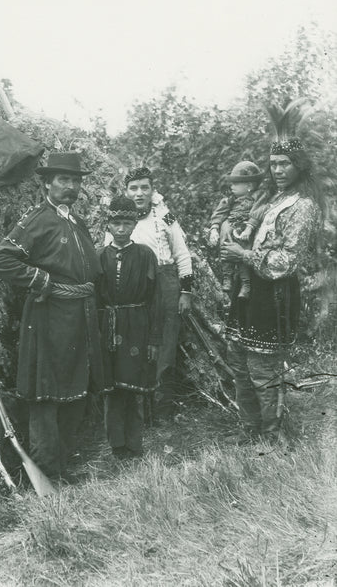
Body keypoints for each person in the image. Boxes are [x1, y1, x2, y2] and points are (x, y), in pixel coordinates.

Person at [0, 151, 108, 481]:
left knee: (74, 389)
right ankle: (44, 470)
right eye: (63, 180)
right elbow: (0, 259)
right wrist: (43, 281)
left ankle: (61, 466)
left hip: (80, 316)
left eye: (75, 181)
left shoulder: (74, 221)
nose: (70, 187)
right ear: (47, 184)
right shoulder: (38, 219)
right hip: (50, 316)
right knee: (47, 392)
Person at [221, 127, 323, 444]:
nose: (278, 170)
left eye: (285, 163)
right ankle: (248, 428)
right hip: (250, 289)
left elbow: (286, 261)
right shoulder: (275, 198)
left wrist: (243, 253)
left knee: (263, 369)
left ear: (299, 166)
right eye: (273, 163)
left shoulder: (304, 206)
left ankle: (270, 435)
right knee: (239, 361)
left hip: (274, 294)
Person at [114, 167, 194, 417]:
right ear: (126, 191)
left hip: (166, 283)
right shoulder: (120, 220)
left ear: (152, 190)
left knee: (166, 347)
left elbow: (181, 252)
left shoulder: (165, 217)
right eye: (133, 188)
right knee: (137, 343)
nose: (139, 193)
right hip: (135, 286)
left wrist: (185, 292)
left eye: (144, 187)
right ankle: (139, 412)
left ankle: (163, 410)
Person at [97, 196, 160, 459]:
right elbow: (94, 297)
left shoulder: (145, 255)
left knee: (135, 389)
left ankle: (135, 444)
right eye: (116, 223)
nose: (121, 229)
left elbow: (156, 299)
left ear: (134, 225)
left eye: (126, 223)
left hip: (137, 325)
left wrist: (154, 338)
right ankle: (117, 445)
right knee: (111, 390)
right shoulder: (99, 255)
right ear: (108, 225)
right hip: (108, 326)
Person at [208, 160, 264, 299]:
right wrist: (214, 228)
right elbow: (219, 214)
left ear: (249, 185)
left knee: (242, 251)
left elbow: (258, 213)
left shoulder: (258, 198)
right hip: (232, 227)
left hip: (246, 231)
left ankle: (246, 284)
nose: (231, 186)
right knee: (226, 242)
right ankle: (227, 276)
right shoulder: (230, 200)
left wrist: (249, 227)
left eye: (236, 183)